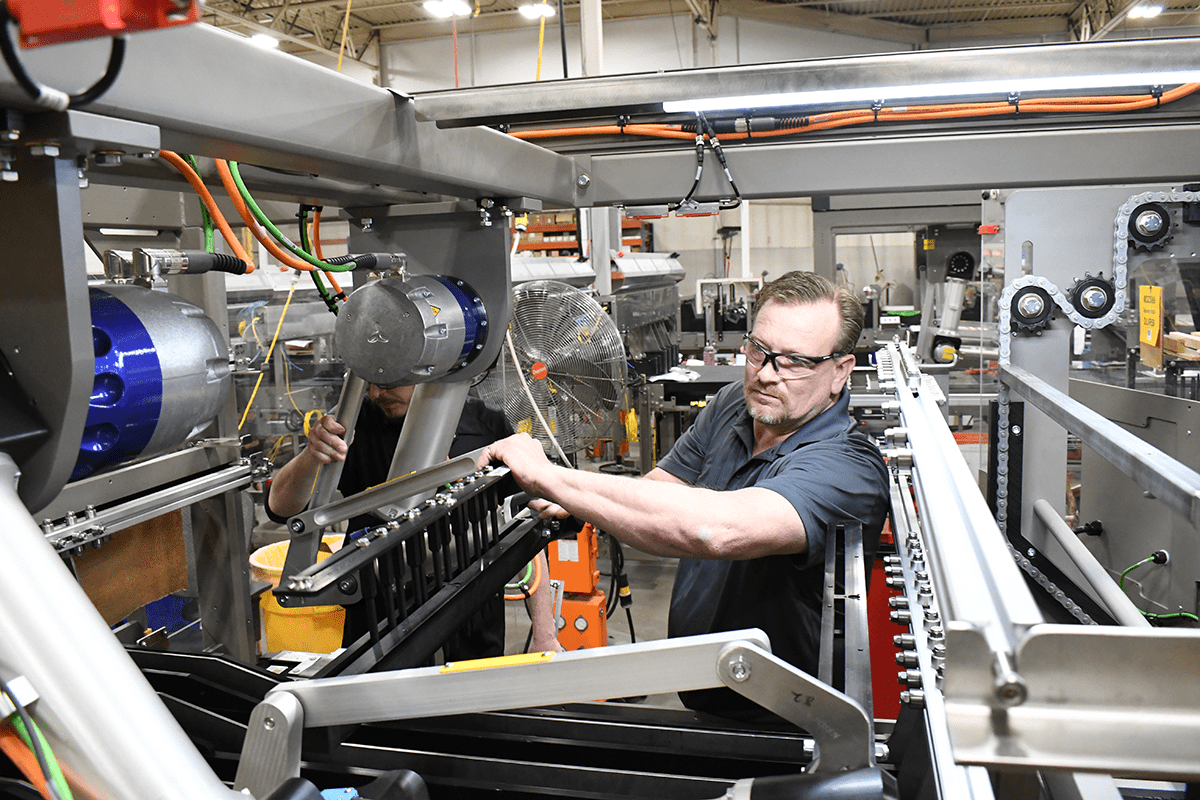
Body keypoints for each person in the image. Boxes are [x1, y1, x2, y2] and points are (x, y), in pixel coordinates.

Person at [477, 271, 889, 722]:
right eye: (758, 351)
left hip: (785, 714)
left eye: (793, 362)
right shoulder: (736, 403)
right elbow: (658, 489)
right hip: (706, 688)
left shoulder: (848, 467)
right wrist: (576, 497)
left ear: (841, 371)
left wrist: (550, 477)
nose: (766, 375)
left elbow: (715, 531)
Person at [266, 382, 561, 659]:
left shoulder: (484, 426)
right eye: (369, 380)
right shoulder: (354, 426)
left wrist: (545, 633)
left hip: (472, 610)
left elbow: (531, 529)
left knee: (470, 707)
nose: (376, 391)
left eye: (391, 380)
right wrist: (311, 456)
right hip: (377, 615)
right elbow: (280, 508)